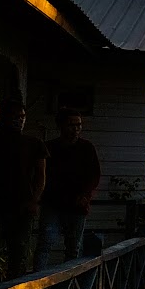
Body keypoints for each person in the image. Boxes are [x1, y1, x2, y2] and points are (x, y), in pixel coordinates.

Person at [0, 100, 46, 282]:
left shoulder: (34, 143)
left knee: (19, 255)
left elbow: (41, 176)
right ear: (4, 118)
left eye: (22, 117)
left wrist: (34, 200)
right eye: (15, 117)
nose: (19, 121)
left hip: (22, 206)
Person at [38, 108, 101, 269]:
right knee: (45, 244)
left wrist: (85, 195)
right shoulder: (50, 148)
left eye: (78, 125)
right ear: (61, 126)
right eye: (71, 125)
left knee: (74, 248)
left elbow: (94, 175)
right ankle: (37, 285)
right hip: (53, 203)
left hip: (76, 204)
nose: (75, 129)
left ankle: (69, 287)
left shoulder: (86, 148)